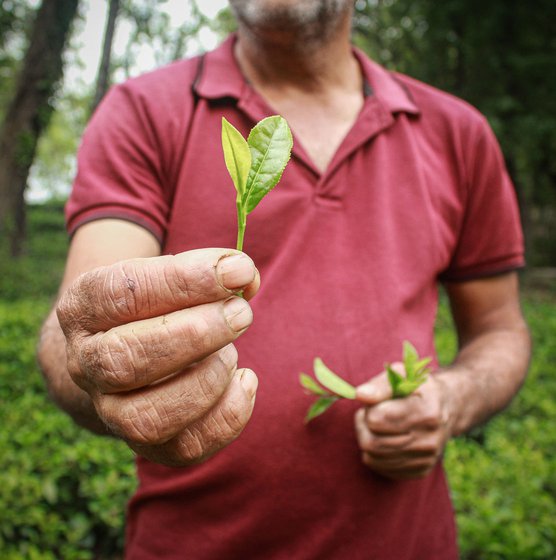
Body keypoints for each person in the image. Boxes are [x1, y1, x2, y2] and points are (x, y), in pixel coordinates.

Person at [38, 1, 531, 558]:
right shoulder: (142, 110)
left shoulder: (457, 132)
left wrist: (451, 398)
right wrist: (98, 358)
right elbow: (77, 330)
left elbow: (500, 330)